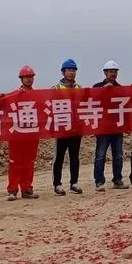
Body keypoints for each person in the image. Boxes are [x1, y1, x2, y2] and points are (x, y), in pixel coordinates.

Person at [93, 60, 129, 190]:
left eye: (115, 71)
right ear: (105, 73)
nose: (113, 74)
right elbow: (91, 101)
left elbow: (126, 107)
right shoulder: (97, 87)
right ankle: (99, 181)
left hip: (117, 128)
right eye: (110, 71)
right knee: (100, 155)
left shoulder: (120, 89)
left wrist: (127, 125)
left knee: (118, 155)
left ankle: (117, 180)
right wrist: (103, 90)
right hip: (103, 128)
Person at [6, 65, 40, 200]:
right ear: (21, 79)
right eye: (26, 77)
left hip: (31, 134)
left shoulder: (38, 96)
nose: (29, 79)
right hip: (17, 134)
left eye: (31, 77)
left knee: (29, 162)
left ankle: (27, 189)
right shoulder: (14, 95)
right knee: (15, 162)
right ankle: (12, 190)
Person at [53, 58, 84, 196]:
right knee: (59, 157)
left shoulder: (79, 88)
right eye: (69, 70)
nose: (71, 72)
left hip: (76, 129)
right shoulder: (56, 88)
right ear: (63, 72)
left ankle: (74, 183)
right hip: (61, 129)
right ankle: (57, 184)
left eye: (73, 70)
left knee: (74, 157)